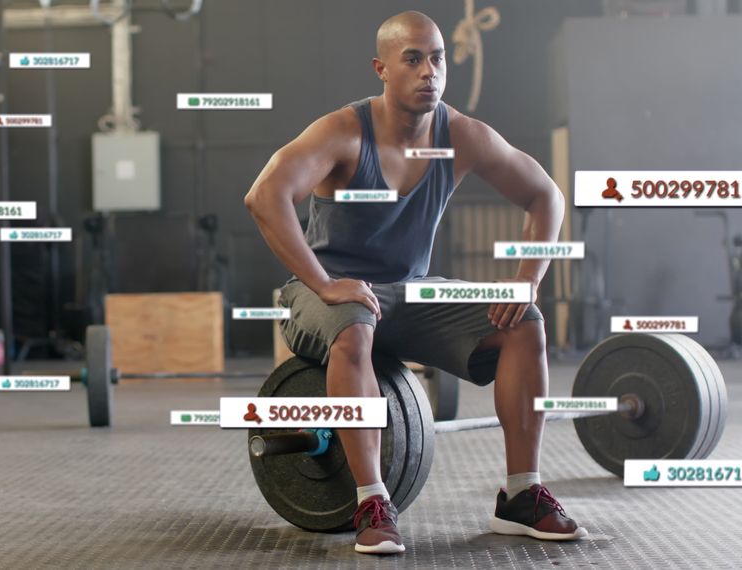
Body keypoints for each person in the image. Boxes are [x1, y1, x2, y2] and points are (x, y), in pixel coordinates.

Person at [243, 10, 586, 555]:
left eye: (438, 58)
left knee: (525, 324)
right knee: (353, 322)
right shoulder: (343, 132)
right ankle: (371, 501)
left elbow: (547, 195)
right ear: (381, 68)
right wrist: (325, 282)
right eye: (413, 59)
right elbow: (265, 196)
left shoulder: (463, 136)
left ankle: (522, 494)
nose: (430, 71)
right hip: (324, 296)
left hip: (410, 293)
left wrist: (528, 279)